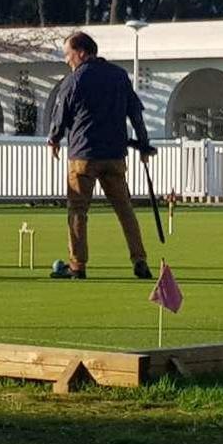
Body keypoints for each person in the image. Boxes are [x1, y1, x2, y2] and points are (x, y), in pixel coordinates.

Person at [47, 32, 155, 280]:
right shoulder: (119, 76)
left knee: (77, 211)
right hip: (115, 155)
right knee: (125, 210)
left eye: (68, 54)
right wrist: (144, 146)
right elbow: (135, 113)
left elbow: (60, 115)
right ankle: (140, 260)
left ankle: (77, 266)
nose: (67, 60)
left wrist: (54, 139)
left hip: (83, 155)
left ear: (82, 52)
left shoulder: (74, 80)